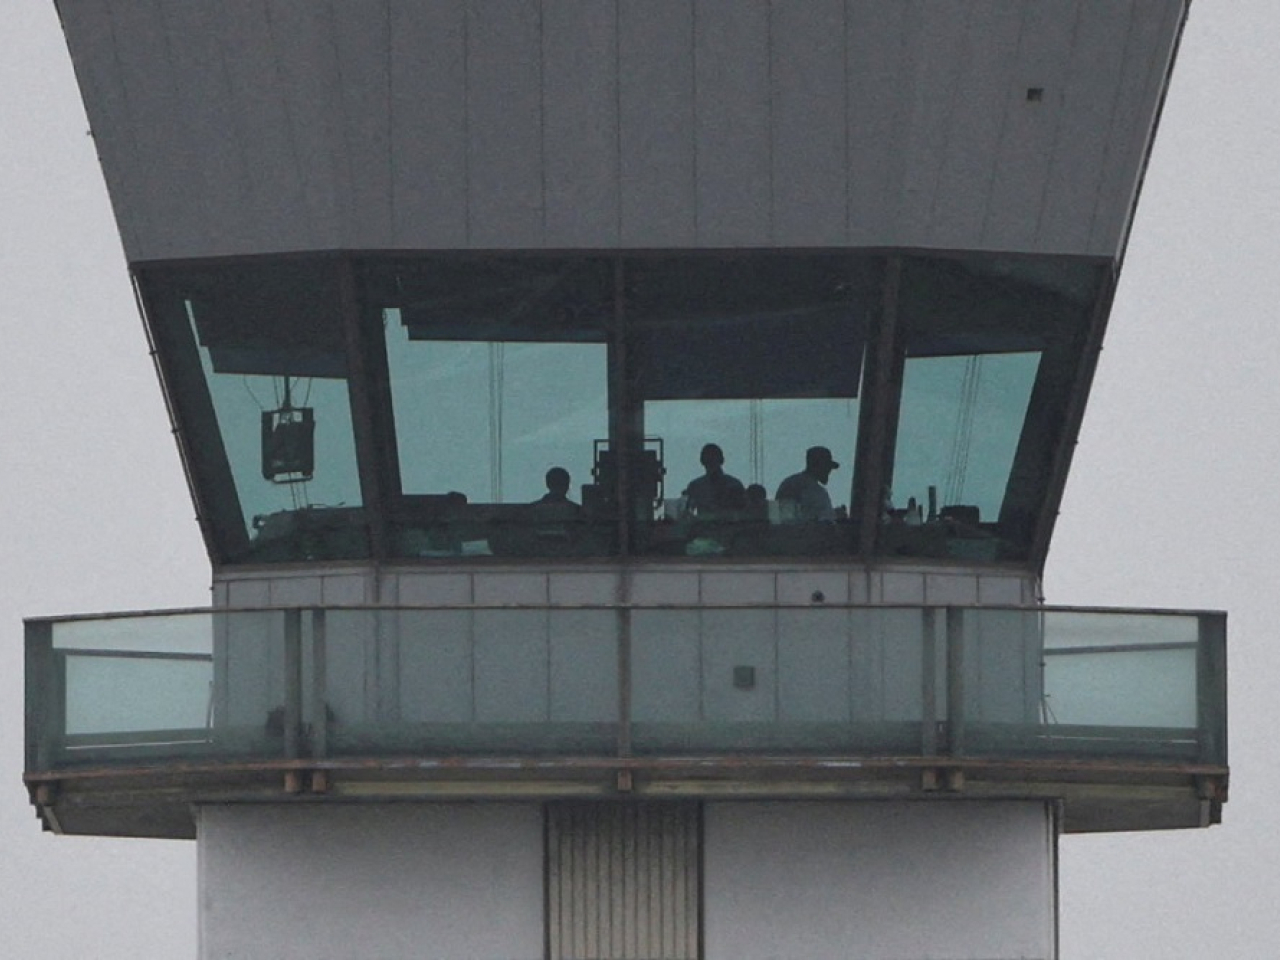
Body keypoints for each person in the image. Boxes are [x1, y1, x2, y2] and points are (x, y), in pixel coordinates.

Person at [775, 446, 840, 521]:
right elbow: (815, 520)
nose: (829, 471)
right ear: (816, 464)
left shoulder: (789, 483)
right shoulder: (812, 489)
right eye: (826, 466)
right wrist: (835, 515)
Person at [682, 443, 745, 516]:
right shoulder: (695, 486)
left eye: (713, 458)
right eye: (709, 460)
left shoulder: (734, 485)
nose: (712, 462)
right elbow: (688, 512)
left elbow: (742, 511)